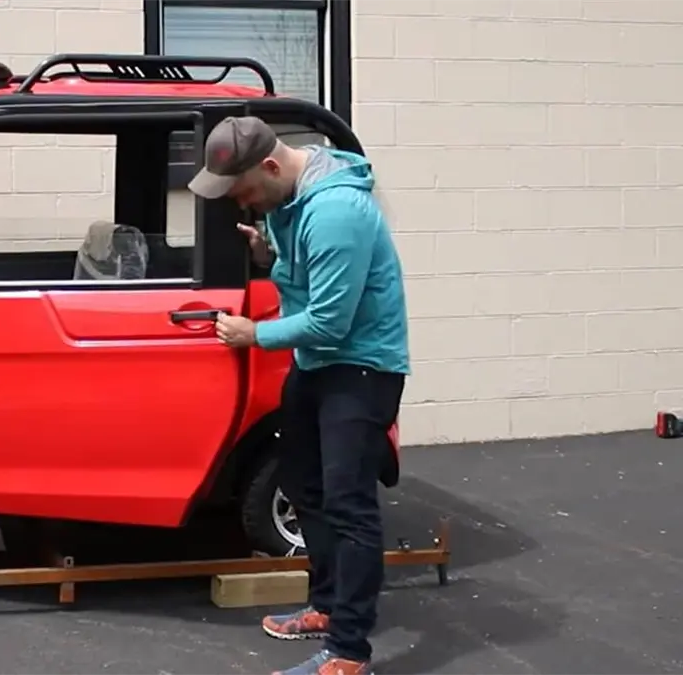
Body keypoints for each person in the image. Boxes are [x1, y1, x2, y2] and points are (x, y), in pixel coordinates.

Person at [188, 115, 409, 675]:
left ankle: (349, 652)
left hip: (360, 370)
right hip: (318, 365)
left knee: (349, 506)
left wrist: (255, 335)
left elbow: (331, 321)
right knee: (306, 486)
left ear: (269, 166)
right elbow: (308, 278)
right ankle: (327, 607)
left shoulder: (335, 211)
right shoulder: (288, 203)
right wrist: (270, 255)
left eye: (242, 190)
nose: (240, 203)